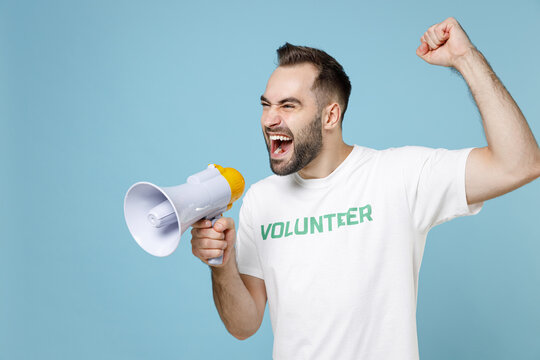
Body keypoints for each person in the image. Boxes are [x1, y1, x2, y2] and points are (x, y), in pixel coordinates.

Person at [190, 17, 540, 359]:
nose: (269, 119)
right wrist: (222, 267)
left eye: (288, 106)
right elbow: (243, 325)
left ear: (330, 116)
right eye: (266, 105)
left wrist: (466, 58)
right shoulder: (260, 200)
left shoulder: (399, 176)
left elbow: (521, 163)